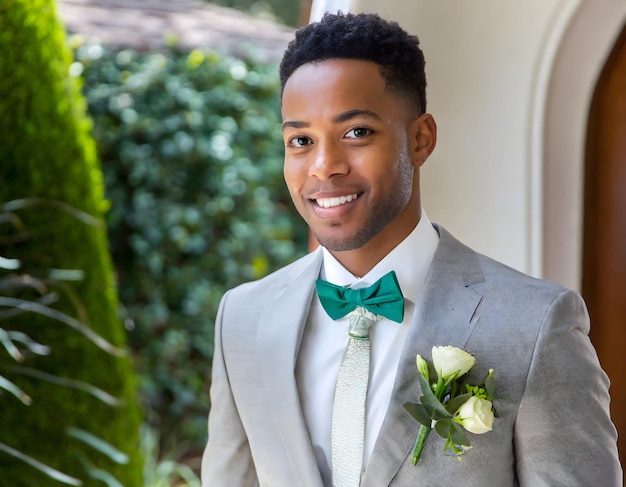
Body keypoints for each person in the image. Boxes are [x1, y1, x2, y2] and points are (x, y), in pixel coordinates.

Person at [201, 11, 622, 487]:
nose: (324, 167)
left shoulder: (536, 324)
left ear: (420, 139)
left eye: (356, 132)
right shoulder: (241, 318)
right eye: (300, 140)